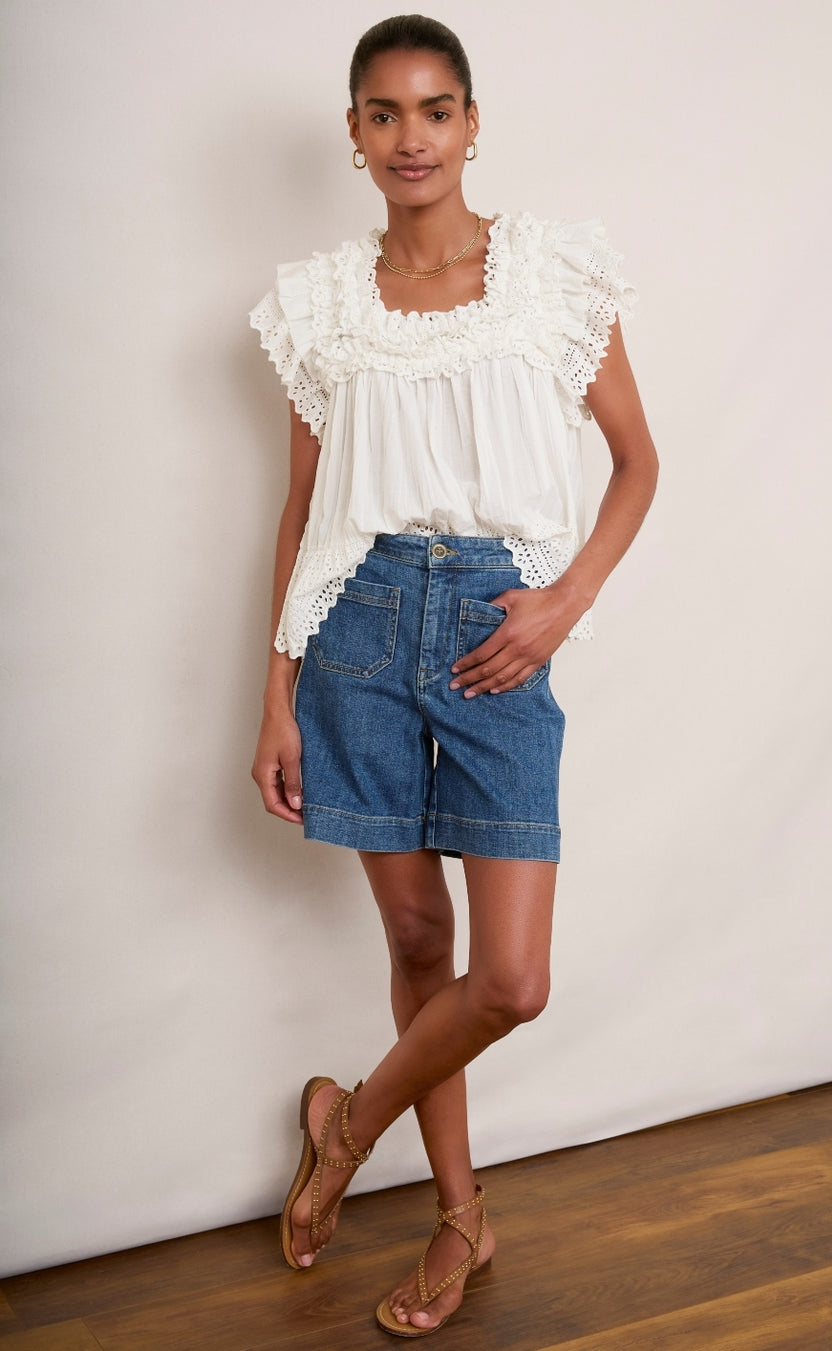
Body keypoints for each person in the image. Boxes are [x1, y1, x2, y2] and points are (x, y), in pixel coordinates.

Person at [250, 13, 658, 1337]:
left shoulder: (550, 277)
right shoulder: (323, 305)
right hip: (359, 630)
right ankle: (461, 1218)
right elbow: (304, 508)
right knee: (421, 945)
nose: (410, 137)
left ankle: (346, 1128)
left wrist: (563, 605)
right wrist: (275, 694)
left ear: (473, 126)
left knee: (512, 980)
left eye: (435, 111)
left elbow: (639, 462)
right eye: (384, 113)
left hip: (499, 632)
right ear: (354, 134)